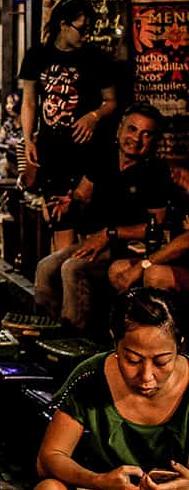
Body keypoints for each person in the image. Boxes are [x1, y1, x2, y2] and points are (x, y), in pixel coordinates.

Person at [28, 288, 189, 490]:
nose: (146, 376)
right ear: (115, 341)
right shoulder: (90, 377)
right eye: (133, 359)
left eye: (161, 362)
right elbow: (49, 458)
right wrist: (101, 481)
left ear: (180, 346)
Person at [35, 104, 170, 332]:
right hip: (95, 242)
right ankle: (47, 336)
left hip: (128, 248)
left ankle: (75, 342)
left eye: (146, 134)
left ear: (154, 141)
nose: (136, 139)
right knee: (46, 267)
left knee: (73, 269)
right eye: (132, 130)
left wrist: (110, 234)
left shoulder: (156, 172)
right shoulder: (104, 157)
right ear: (120, 130)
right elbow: (81, 195)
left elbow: (155, 226)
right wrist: (69, 203)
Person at [21, 0, 118, 251]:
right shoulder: (37, 56)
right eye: (81, 28)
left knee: (86, 216)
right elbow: (29, 102)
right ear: (63, 25)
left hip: (87, 152)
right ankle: (59, 279)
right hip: (52, 151)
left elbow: (111, 102)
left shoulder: (96, 59)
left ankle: (77, 277)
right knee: (59, 221)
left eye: (89, 30)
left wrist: (93, 116)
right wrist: (28, 139)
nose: (85, 35)